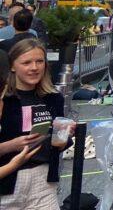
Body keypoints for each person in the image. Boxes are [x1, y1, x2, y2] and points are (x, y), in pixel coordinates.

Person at [0, 38, 73, 208]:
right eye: (26, 62)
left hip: (43, 180)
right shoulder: (4, 100)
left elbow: (60, 143)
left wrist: (64, 136)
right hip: (7, 179)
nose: (34, 67)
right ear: (12, 66)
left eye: (39, 61)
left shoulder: (53, 98)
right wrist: (12, 145)